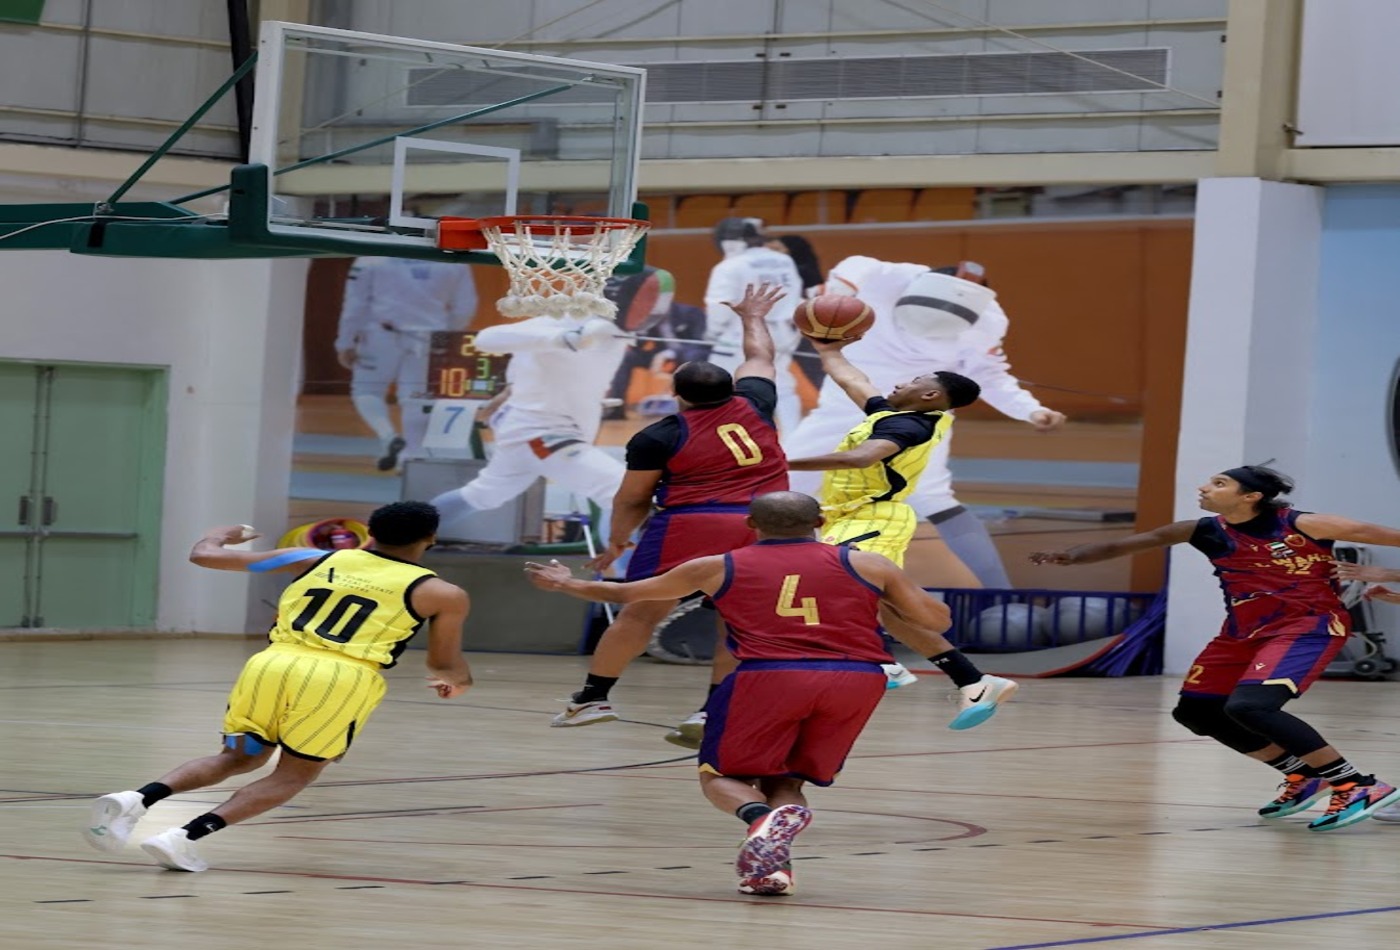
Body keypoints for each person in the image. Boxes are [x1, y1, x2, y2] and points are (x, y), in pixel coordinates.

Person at [525, 491, 958, 896]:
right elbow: (936, 622)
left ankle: (759, 817)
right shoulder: (870, 564)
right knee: (786, 779)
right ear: (821, 522)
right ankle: (770, 868)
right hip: (857, 678)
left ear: (750, 523)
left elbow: (627, 593)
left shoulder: (716, 565)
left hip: (771, 676)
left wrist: (566, 582)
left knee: (722, 776)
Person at [81, 502, 473, 871]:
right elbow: (442, 663)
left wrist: (218, 534)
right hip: (339, 677)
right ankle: (182, 836)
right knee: (294, 775)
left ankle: (137, 798)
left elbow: (205, 556)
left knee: (238, 757)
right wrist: (458, 681)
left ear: (369, 532)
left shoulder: (313, 558)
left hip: (270, 665)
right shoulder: (442, 593)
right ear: (431, 539)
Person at [1029, 465, 1400, 831]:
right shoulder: (1202, 531)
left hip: (1308, 625)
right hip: (1242, 631)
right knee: (1198, 713)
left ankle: (1357, 785)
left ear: (1251, 496)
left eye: (1219, 483)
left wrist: (1391, 576)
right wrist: (1074, 555)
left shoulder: (1305, 524)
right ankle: (1304, 775)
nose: (1204, 487)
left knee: (1250, 706)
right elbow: (1128, 543)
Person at [551, 283, 789, 745]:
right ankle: (709, 714)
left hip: (691, 525)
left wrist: (619, 542)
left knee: (640, 612)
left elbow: (631, 499)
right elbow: (761, 357)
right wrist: (751, 316)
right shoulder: (757, 403)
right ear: (730, 386)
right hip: (764, 527)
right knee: (735, 624)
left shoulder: (659, 435)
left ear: (676, 392)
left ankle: (591, 700)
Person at [783, 255, 1067, 588]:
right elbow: (856, 265)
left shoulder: (987, 322)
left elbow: (989, 376)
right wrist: (837, 290)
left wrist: (1030, 410)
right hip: (843, 405)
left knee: (933, 498)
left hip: (921, 414)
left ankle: (997, 592)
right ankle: (742, 574)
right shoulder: (888, 277)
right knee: (782, 485)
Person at [788, 338, 1018, 722]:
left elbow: (862, 458)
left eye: (912, 379)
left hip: (874, 518)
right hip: (848, 517)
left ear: (929, 394)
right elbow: (854, 381)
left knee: (833, 583)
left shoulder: (910, 425)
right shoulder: (891, 414)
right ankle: (973, 683)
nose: (899, 383)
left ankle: (881, 660)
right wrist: (828, 350)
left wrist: (779, 460)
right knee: (887, 611)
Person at [428, 289, 633, 542]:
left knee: (483, 494)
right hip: (540, 433)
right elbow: (486, 339)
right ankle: (625, 577)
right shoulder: (562, 322)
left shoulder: (616, 333)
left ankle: (392, 540)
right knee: (624, 493)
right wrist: (564, 338)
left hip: (539, 430)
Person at [335, 257, 479, 471]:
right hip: (429, 337)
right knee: (415, 399)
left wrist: (345, 341)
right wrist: (445, 335)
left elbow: (355, 303)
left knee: (366, 391)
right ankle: (411, 459)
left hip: (380, 335)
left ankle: (389, 437)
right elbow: (465, 306)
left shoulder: (370, 260)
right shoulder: (454, 262)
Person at [703, 218, 804, 433]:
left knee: (714, 385)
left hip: (741, 332)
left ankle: (713, 438)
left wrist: (712, 332)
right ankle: (794, 440)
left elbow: (719, 305)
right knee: (782, 384)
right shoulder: (783, 260)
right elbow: (795, 293)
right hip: (783, 332)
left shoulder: (730, 265)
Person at [602, 266, 709, 420]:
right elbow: (638, 345)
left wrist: (671, 353)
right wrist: (635, 331)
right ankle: (616, 408)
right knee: (627, 357)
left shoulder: (691, 313)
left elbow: (700, 343)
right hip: (659, 355)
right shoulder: (647, 316)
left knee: (693, 355)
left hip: (688, 354)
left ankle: (693, 408)